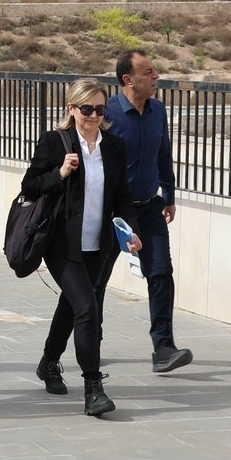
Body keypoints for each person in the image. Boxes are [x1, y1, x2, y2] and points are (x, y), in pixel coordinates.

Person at [22, 78, 142, 417]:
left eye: (99, 109)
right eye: (86, 109)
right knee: (88, 308)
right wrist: (59, 173)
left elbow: (122, 195)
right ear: (71, 109)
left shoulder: (114, 147)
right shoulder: (54, 142)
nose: (92, 116)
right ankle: (93, 388)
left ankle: (48, 363)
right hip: (62, 244)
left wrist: (130, 229)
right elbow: (29, 186)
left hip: (101, 245)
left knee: (73, 305)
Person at [108, 51, 194, 373]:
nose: (156, 76)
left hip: (149, 206)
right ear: (128, 80)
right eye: (148, 72)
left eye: (154, 70)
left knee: (160, 273)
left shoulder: (158, 109)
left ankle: (164, 348)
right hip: (114, 213)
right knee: (95, 280)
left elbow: (164, 152)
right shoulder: (109, 112)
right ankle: (89, 340)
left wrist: (168, 194)